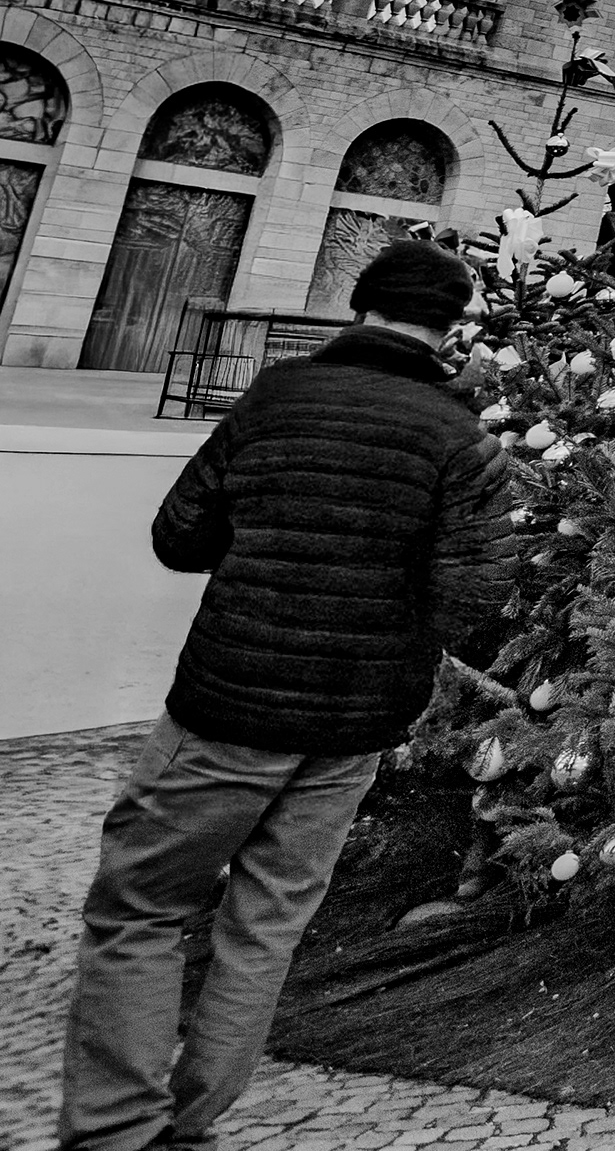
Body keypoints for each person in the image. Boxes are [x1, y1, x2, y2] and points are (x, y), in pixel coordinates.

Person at [62, 240, 517, 1151]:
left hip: (229, 707)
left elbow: (179, 538)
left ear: (359, 303)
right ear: (449, 327)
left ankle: (116, 1131)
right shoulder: (463, 438)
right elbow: (470, 603)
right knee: (265, 928)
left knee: (141, 909)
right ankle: (187, 1129)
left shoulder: (277, 398)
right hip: (354, 725)